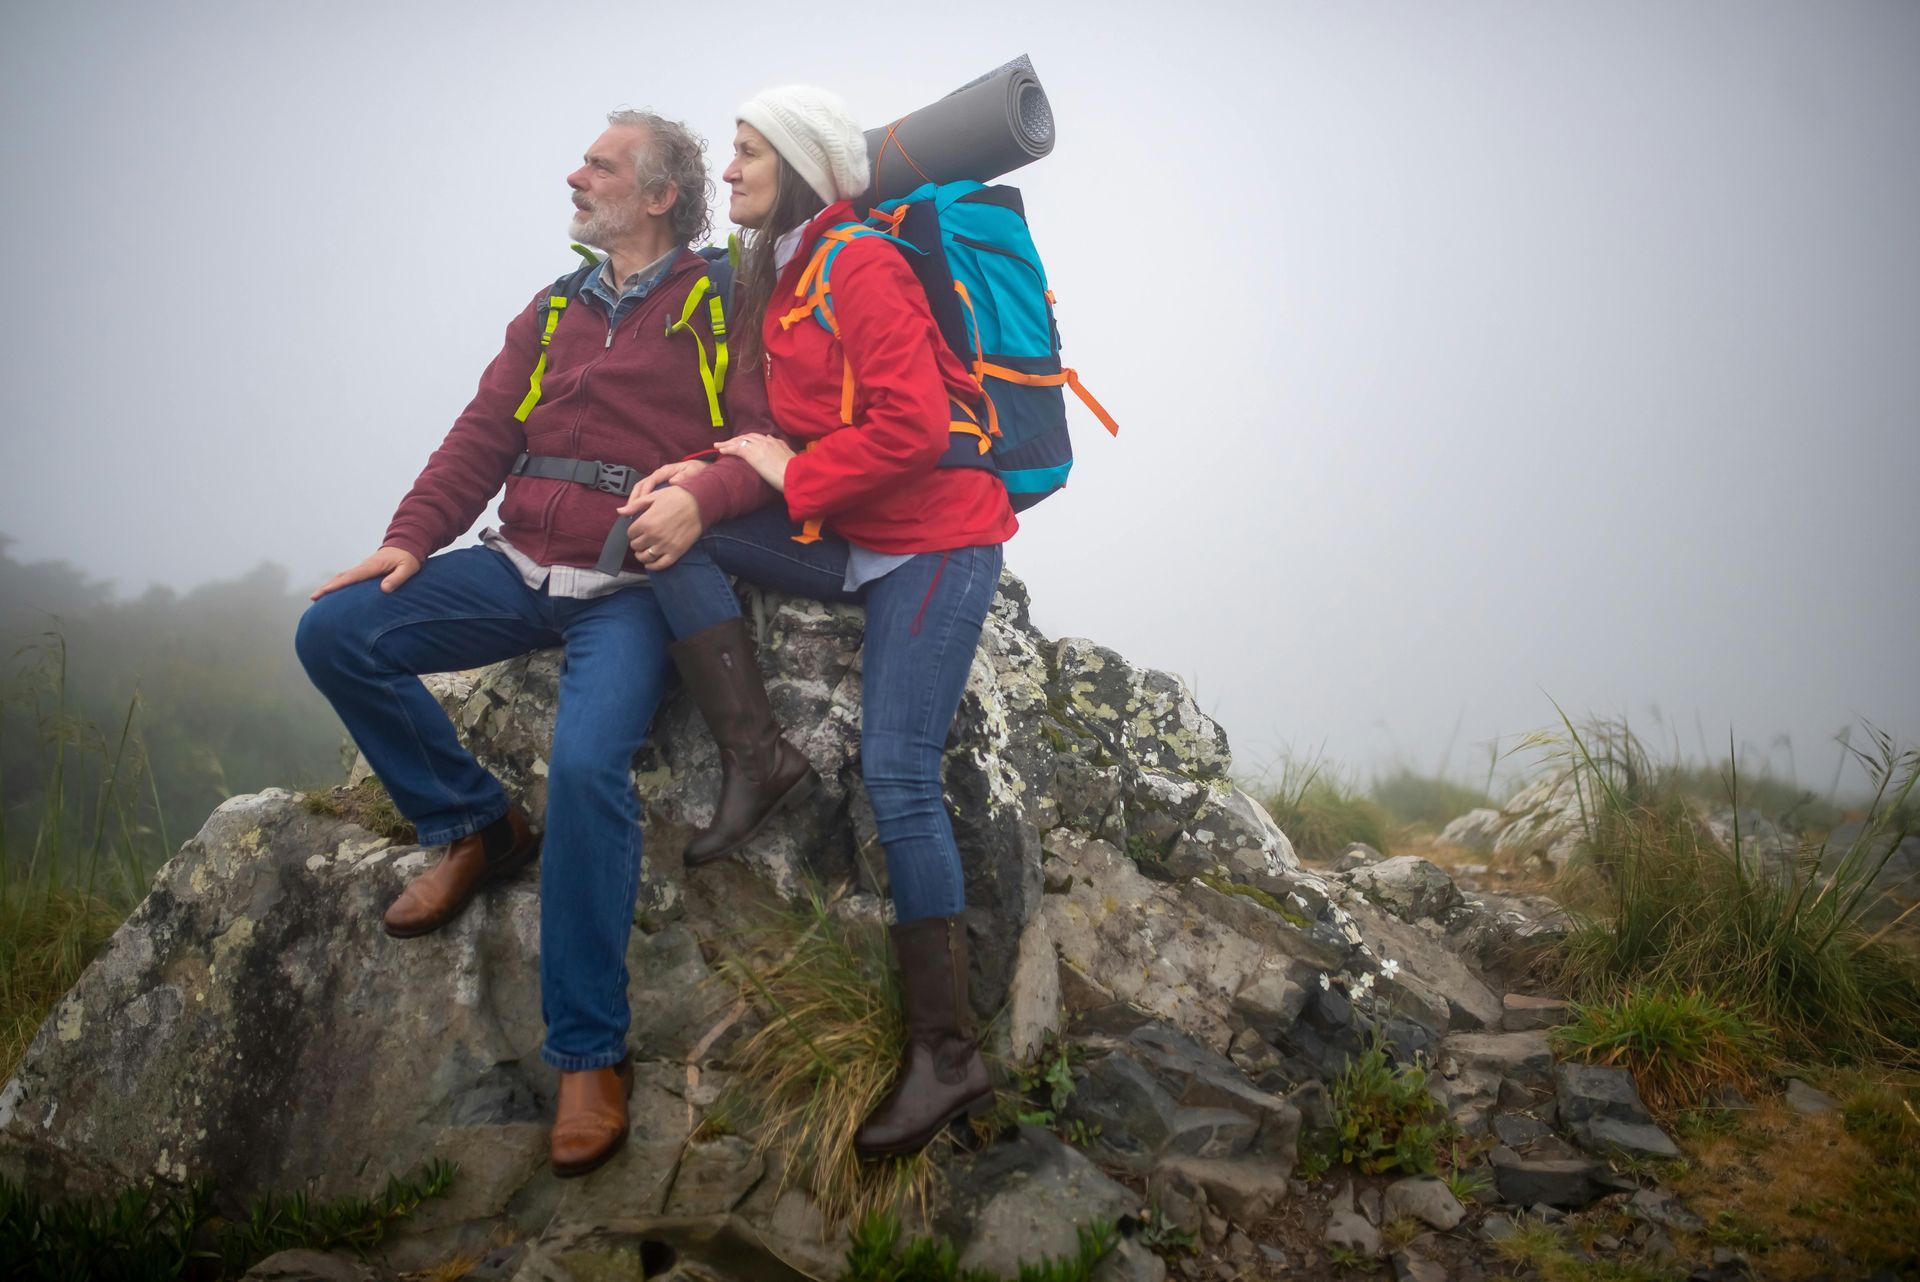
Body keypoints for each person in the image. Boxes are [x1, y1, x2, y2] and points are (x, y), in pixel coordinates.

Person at [295, 110, 777, 1179]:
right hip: (515, 565)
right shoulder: (555, 306)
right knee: (335, 630)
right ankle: (474, 822)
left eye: (599, 165)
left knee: (589, 766)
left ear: (657, 196)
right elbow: (481, 434)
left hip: (631, 587)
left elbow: (757, 434)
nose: (576, 174)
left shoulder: (717, 300)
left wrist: (699, 496)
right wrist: (407, 541)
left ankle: (588, 1054)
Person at [621, 85, 1017, 1159]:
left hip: (936, 536)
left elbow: (916, 428)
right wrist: (703, 479)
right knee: (663, 531)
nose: (732, 169)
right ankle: (759, 757)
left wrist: (784, 467)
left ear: (796, 163)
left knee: (898, 770)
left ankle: (946, 1051)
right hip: (850, 531)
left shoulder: (862, 265)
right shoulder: (782, 273)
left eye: (748, 152)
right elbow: (762, 445)